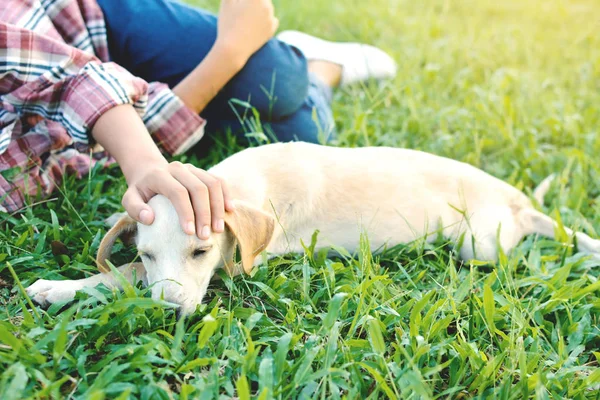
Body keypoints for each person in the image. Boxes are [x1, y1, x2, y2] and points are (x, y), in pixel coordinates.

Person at [0, 0, 397, 240]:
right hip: (92, 99)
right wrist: (225, 55)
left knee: (276, 77)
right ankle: (324, 68)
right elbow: (73, 154)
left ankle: (297, 61)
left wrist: (146, 163)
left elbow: (73, 82)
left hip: (77, 20)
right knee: (302, 132)